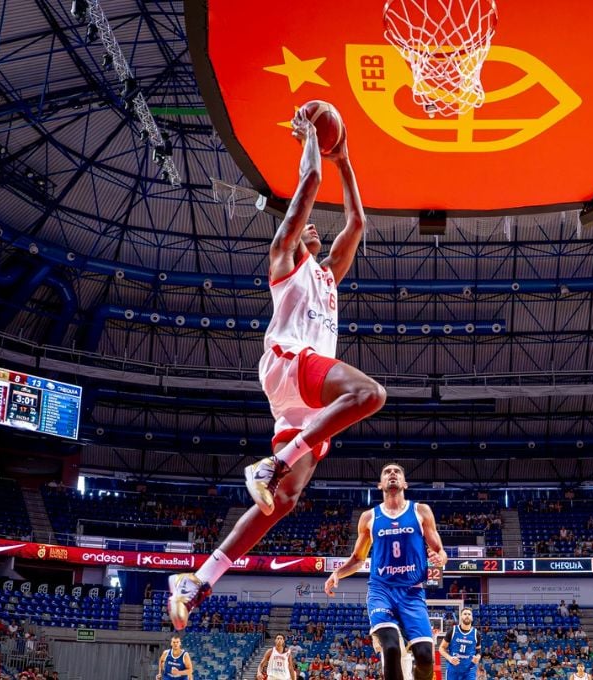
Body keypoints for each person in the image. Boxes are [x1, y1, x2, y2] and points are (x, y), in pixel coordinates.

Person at [166, 106, 385, 630]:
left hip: (303, 402)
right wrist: (311, 139)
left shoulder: (330, 276)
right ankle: (271, 464)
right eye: (306, 222)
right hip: (292, 364)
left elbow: (357, 222)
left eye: (314, 227)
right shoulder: (284, 258)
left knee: (281, 504)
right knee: (370, 394)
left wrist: (347, 161)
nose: (311, 224)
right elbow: (308, 181)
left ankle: (198, 581)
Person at [324, 463, 448, 680]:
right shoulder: (369, 517)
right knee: (390, 649)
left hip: (412, 592)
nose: (392, 474)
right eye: (387, 472)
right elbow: (358, 558)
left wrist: (440, 558)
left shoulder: (420, 511)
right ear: (380, 484)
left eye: (397, 471)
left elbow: (440, 550)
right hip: (382, 591)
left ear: (405, 483)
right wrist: (337, 573)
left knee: (426, 656)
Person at [441, 608, 481, 680]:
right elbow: (441, 648)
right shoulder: (452, 631)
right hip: (453, 669)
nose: (467, 616)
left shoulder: (476, 633)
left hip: (469, 669)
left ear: (472, 618)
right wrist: (449, 658)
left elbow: (478, 651)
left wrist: (478, 657)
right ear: (461, 617)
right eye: (465, 614)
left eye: (469, 614)